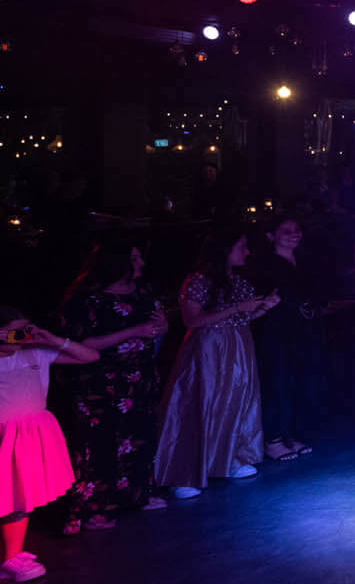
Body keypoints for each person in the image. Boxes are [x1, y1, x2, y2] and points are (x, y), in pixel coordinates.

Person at [52, 237, 170, 532]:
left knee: (140, 437)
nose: (141, 264)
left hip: (139, 380)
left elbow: (157, 327)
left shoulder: (143, 292)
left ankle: (136, 496)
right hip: (100, 384)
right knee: (100, 445)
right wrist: (135, 331)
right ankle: (96, 509)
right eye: (134, 258)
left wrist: (161, 327)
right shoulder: (86, 300)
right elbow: (81, 343)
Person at [154, 232, 277, 496]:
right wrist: (238, 308)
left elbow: (243, 317)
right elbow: (192, 320)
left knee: (235, 401)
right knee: (201, 401)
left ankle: (229, 458)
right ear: (224, 249)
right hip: (209, 347)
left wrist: (264, 307)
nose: (247, 252)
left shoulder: (238, 280)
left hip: (238, 344)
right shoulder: (199, 280)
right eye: (242, 246)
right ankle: (185, 473)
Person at [0, 310, 101, 581]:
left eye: (27, 330)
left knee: (19, 495)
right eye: (16, 331)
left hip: (28, 436)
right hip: (3, 435)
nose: (23, 336)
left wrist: (54, 340)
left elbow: (90, 356)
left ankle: (11, 556)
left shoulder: (36, 353)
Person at [249, 217, 323, 458]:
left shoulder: (304, 259)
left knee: (300, 380)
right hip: (277, 330)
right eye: (287, 231)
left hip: (304, 328)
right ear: (271, 236)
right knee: (278, 380)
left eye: (297, 229)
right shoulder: (265, 265)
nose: (294, 234)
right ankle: (273, 439)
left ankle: (291, 434)